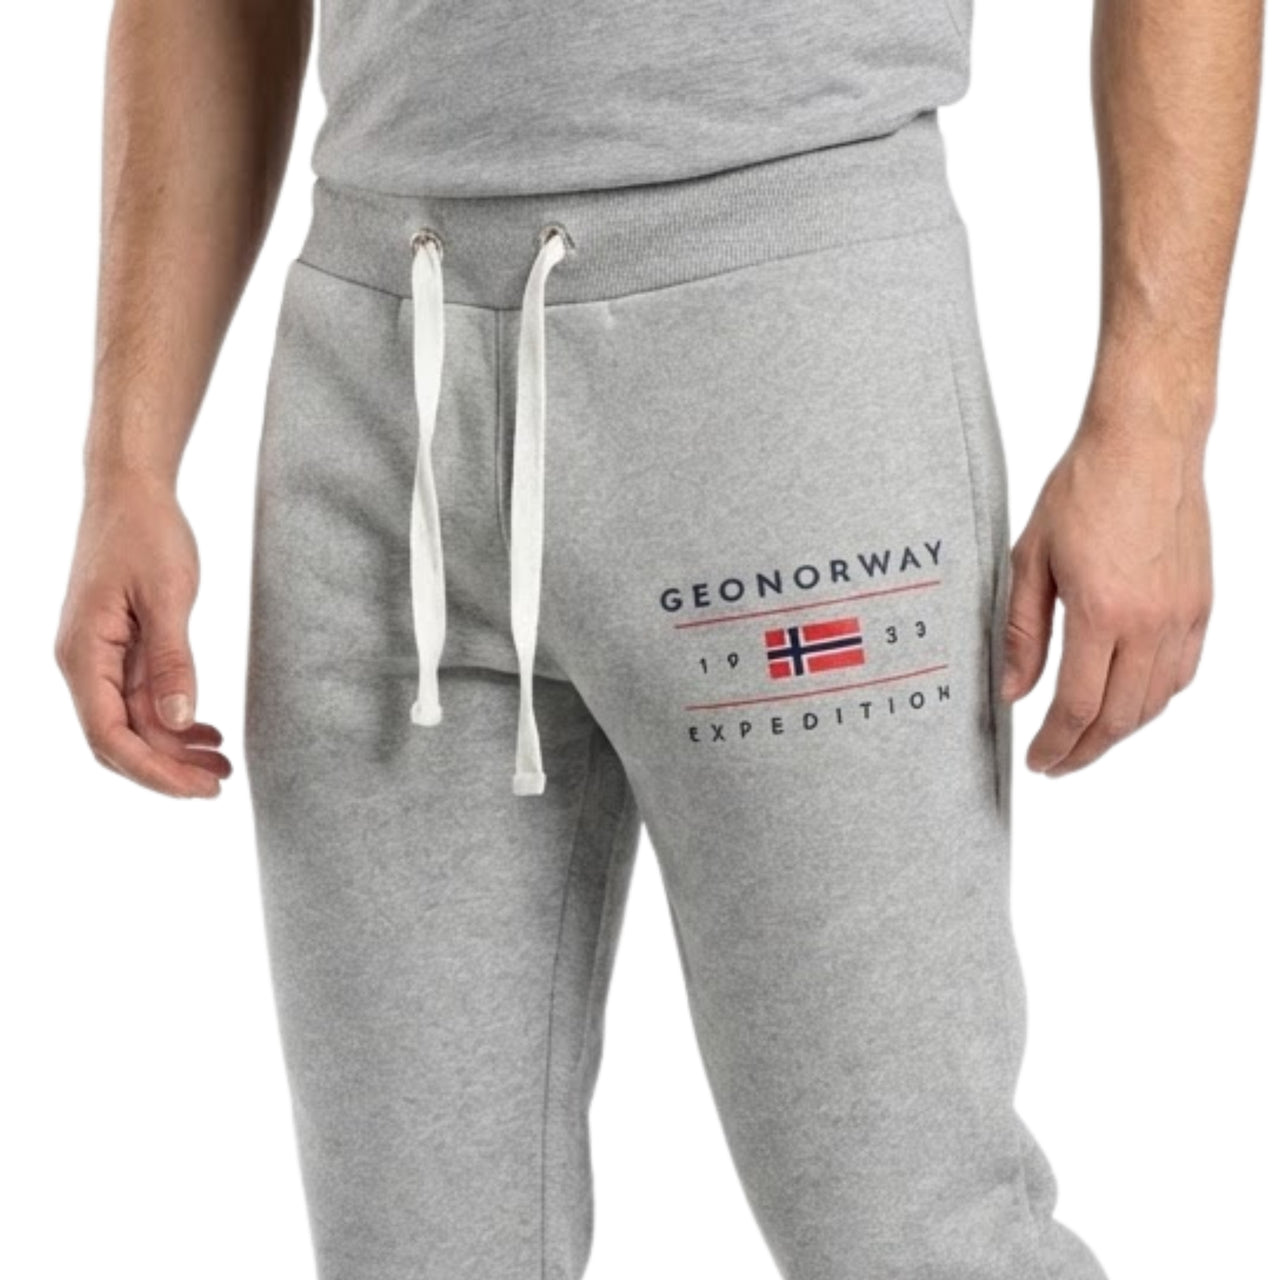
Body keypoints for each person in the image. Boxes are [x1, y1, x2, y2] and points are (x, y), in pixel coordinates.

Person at [54, 0, 1261, 1276]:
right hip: (376, 378)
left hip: (784, 360)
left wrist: (1153, 425)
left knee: (909, 1235)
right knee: (414, 1255)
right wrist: (127, 461)